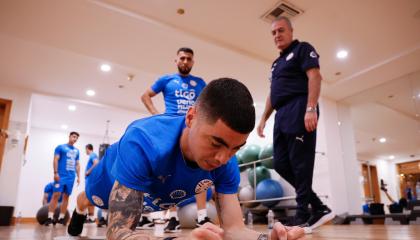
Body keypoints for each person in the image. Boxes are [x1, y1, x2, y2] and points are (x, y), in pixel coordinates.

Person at [103, 78, 304, 239]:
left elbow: (234, 229)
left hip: (160, 196)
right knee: (87, 199)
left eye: (235, 148)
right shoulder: (143, 140)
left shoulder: (227, 161)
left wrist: (267, 239)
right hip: (104, 184)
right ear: (190, 117)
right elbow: (118, 232)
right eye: (216, 143)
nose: (223, 158)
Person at [257, 16, 333, 229]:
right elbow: (273, 93)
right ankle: (318, 207)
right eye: (273, 33)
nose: (277, 35)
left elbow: (315, 77)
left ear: (290, 31)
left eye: (280, 30)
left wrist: (310, 108)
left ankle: (302, 214)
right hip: (281, 115)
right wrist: (263, 118)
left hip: (300, 107)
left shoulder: (302, 49)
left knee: (301, 164)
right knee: (281, 164)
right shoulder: (275, 64)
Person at [68, 143, 212, 236]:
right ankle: (79, 213)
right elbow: (117, 231)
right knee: (89, 199)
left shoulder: (189, 171)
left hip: (151, 183)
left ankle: (196, 217)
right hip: (110, 171)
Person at [141, 47, 209, 232]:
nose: (185, 61)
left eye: (188, 59)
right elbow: (145, 96)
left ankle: (202, 217)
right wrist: (157, 116)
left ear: (193, 62)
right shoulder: (166, 79)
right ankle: (171, 218)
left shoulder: (200, 82)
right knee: (169, 172)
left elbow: (207, 105)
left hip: (193, 131)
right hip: (171, 131)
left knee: (200, 171)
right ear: (176, 60)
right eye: (182, 58)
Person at [45, 131, 81, 226]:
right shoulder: (60, 147)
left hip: (71, 177)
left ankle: (61, 218)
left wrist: (78, 176)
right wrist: (55, 172)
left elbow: (77, 164)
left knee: (66, 196)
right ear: (69, 136)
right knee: (56, 194)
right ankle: (50, 217)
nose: (75, 139)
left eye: (76, 138)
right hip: (61, 175)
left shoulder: (77, 151)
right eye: (73, 136)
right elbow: (55, 159)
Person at [84, 143, 99, 223]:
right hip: (89, 180)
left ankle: (91, 217)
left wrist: (88, 171)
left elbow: (96, 162)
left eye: (85, 149)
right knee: (89, 198)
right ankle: (90, 217)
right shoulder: (92, 155)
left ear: (87, 148)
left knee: (89, 197)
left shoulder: (93, 155)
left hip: (90, 180)